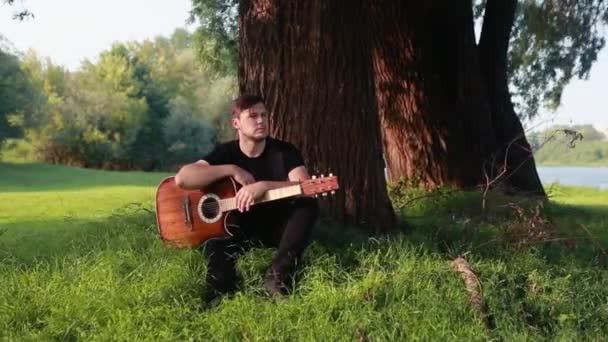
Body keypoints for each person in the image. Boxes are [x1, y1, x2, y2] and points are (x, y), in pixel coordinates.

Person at [174, 94, 319, 307]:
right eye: (252, 116)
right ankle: (220, 294)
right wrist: (233, 169)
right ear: (236, 123)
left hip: (276, 228)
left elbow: (308, 188)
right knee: (218, 265)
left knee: (307, 205)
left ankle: (276, 277)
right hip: (235, 230)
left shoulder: (285, 152)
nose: (261, 120)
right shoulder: (225, 153)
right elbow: (183, 178)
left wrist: (264, 186)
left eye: (264, 115)